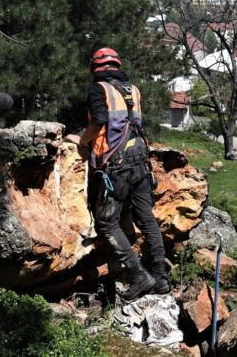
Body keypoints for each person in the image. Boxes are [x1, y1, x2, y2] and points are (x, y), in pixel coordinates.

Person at [75, 47, 169, 300]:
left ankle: (139, 275)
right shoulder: (133, 90)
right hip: (140, 158)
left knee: (107, 222)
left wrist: (83, 141)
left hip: (118, 164)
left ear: (95, 68)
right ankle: (160, 278)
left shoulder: (98, 89)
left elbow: (99, 121)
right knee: (146, 218)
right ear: (117, 66)